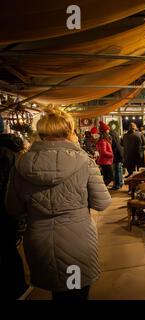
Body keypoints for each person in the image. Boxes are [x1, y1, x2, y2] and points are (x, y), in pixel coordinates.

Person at [5, 106, 111, 300]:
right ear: (69, 131)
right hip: (76, 241)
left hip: (39, 241)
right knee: (75, 291)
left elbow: (12, 208)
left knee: (59, 293)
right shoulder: (84, 161)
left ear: (41, 132)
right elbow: (102, 202)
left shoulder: (20, 164)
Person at [0, 115, 29, 299]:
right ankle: (18, 287)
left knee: (6, 251)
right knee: (8, 250)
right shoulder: (17, 154)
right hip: (13, 212)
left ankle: (16, 288)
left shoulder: (5, 154)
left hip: (7, 212)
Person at [96, 121, 114, 187]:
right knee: (110, 177)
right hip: (105, 161)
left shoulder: (104, 140)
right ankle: (101, 188)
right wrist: (111, 154)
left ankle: (102, 190)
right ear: (105, 131)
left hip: (105, 161)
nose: (109, 131)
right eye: (108, 130)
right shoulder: (103, 141)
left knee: (106, 177)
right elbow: (103, 152)